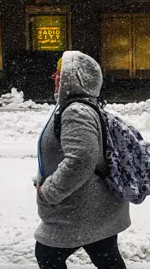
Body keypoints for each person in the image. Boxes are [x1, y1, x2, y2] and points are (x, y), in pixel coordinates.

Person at [34, 50, 130, 269]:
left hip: (81, 207)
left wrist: (49, 190)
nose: (54, 77)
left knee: (48, 255)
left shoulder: (75, 111)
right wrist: (43, 176)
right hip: (93, 204)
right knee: (106, 257)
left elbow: (81, 159)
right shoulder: (80, 107)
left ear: (72, 77)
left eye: (59, 72)